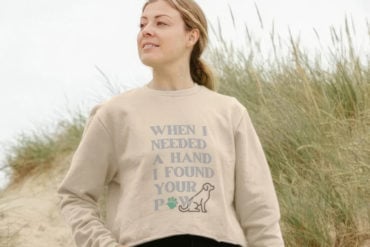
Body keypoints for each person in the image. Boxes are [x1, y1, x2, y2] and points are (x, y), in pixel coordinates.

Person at [57, 0, 285, 246]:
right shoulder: (114, 114)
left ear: (191, 36)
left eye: (161, 23)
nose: (147, 30)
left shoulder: (229, 112)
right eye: (142, 24)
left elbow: (260, 211)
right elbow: (75, 195)